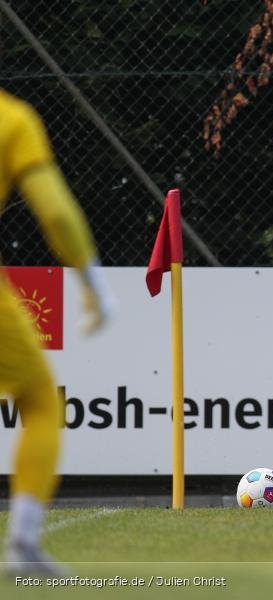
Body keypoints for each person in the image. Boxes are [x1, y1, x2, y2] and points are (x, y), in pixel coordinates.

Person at [1, 90, 115, 574]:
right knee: (43, 402)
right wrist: (92, 281)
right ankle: (23, 538)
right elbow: (57, 213)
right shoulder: (12, 119)